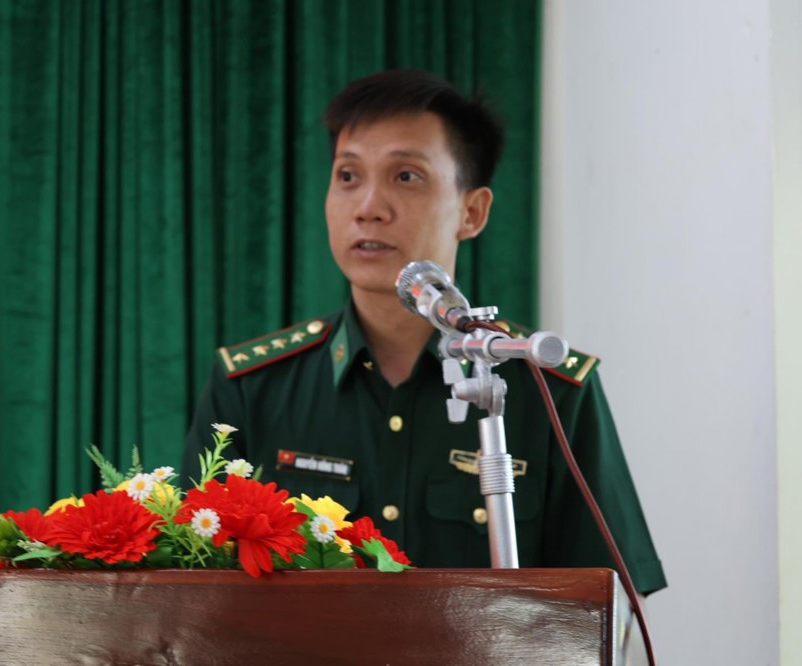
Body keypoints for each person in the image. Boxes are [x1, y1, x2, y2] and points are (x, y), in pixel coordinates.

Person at [182, 69, 666, 595]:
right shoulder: (252, 388)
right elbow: (190, 589)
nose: (368, 208)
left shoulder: (550, 388)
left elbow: (612, 611)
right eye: (348, 176)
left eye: (406, 176)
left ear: (472, 211)